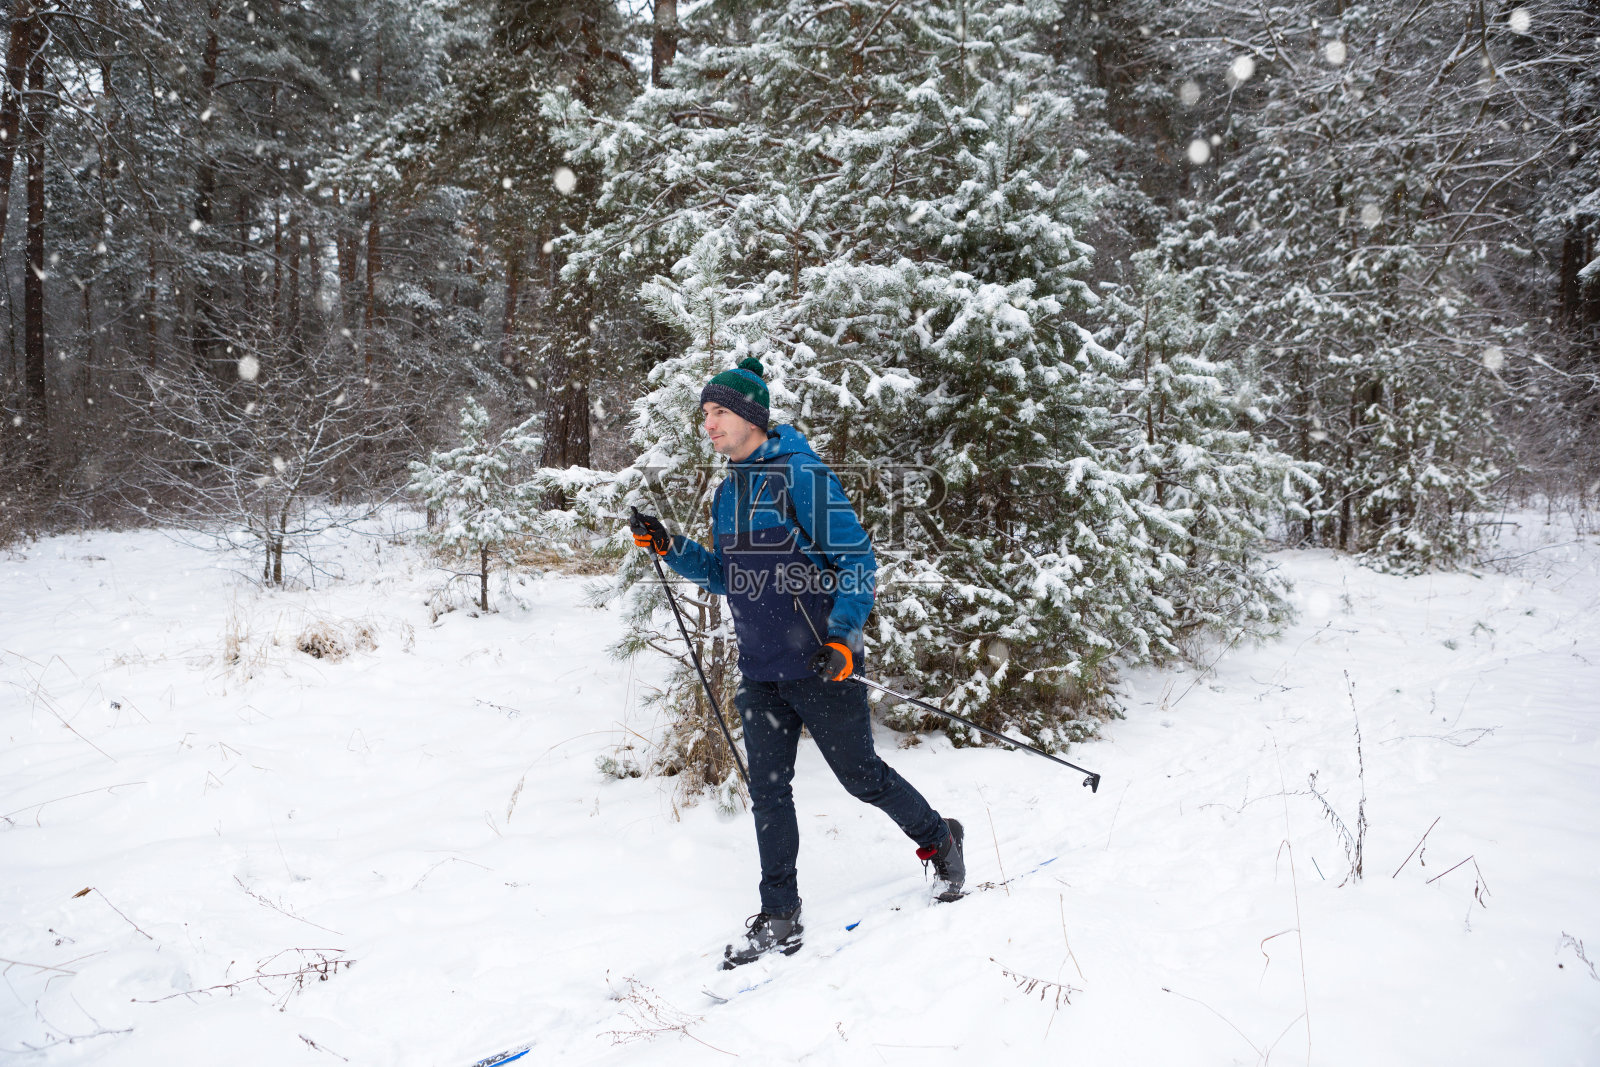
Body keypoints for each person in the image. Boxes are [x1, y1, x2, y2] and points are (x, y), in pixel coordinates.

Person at [629, 356, 965, 970]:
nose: (709, 424)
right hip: (760, 669)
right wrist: (671, 547)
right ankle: (780, 913)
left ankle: (940, 838)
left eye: (719, 412)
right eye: (705, 414)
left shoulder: (801, 476)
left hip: (818, 663)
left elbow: (857, 560)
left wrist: (843, 639)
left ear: (752, 417)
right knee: (768, 791)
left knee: (862, 778)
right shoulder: (728, 491)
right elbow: (725, 576)